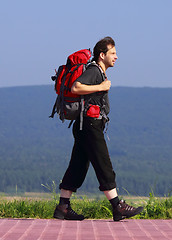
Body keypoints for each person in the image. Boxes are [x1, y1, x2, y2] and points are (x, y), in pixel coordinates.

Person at [53, 36, 143, 221]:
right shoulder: (95, 70)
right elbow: (76, 87)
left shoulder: (98, 71)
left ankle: (63, 207)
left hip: (84, 125)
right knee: (104, 164)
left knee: (78, 166)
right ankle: (117, 206)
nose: (116, 57)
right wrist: (101, 86)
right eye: (113, 53)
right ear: (102, 55)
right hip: (89, 125)